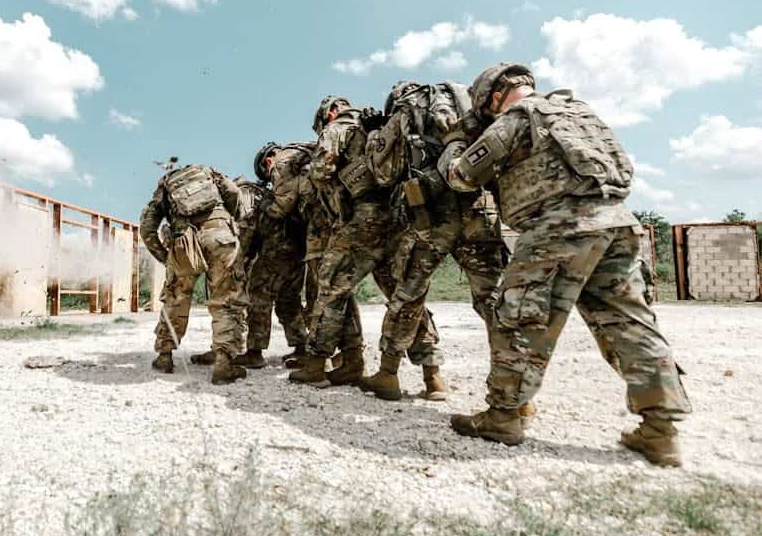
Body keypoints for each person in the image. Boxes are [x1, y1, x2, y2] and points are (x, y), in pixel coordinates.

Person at [441, 63, 692, 466]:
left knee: (521, 318)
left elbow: (462, 177)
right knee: (630, 325)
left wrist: (455, 142)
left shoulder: (517, 118)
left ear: (492, 97)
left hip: (559, 228)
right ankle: (661, 431)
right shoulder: (581, 113)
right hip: (618, 223)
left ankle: (503, 417)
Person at [361, 81, 509, 406]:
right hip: (478, 208)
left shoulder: (407, 109)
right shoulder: (467, 103)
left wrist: (375, 135)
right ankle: (514, 394)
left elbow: (383, 172)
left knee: (409, 294)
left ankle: (388, 374)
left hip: (431, 213)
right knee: (494, 299)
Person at [289, 96, 393, 388]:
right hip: (395, 217)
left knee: (331, 286)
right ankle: (431, 374)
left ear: (330, 112)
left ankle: (315, 365)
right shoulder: (379, 127)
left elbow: (321, 171)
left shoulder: (338, 127)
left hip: (360, 217)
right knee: (401, 293)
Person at [139, 163, 248, 384]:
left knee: (176, 298)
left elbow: (147, 227)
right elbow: (235, 193)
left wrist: (165, 257)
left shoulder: (165, 184)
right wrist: (233, 219)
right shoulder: (210, 174)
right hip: (220, 236)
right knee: (226, 300)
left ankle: (164, 357)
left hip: (183, 241)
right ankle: (224, 364)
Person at [232, 172, 309, 369]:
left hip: (275, 253)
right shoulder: (273, 194)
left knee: (259, 298)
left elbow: (248, 231)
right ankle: (302, 347)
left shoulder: (247, 195)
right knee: (289, 301)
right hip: (298, 253)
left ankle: (254, 353)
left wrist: (243, 258)